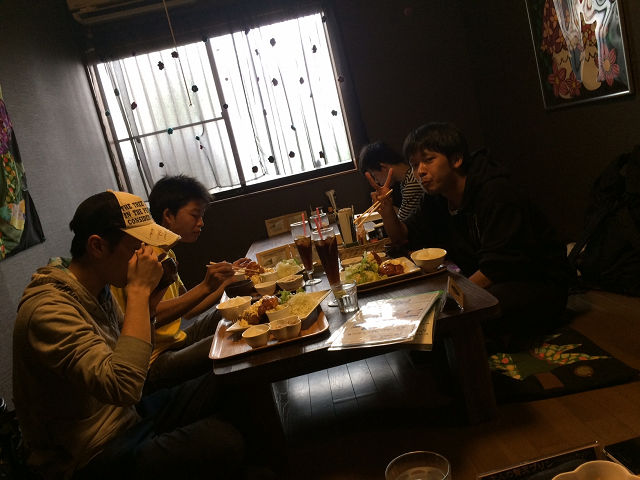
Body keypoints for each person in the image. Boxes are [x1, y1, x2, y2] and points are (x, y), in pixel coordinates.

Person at [12, 189, 250, 479]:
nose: (147, 256)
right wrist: (138, 291)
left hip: (129, 415)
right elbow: (125, 386)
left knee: (235, 376)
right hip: (91, 453)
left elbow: (133, 354)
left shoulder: (98, 288)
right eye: (137, 247)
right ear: (97, 246)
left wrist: (149, 303)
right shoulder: (47, 311)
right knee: (223, 442)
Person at [367, 122, 572, 350]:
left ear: (456, 159)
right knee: (431, 321)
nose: (420, 171)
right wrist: (387, 211)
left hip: (537, 283)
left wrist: (445, 300)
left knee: (450, 321)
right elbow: (403, 237)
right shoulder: (436, 199)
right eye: (415, 165)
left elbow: (496, 268)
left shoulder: (496, 192)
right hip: (493, 279)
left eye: (428, 160)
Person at [111, 175, 238, 393]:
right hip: (154, 358)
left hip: (177, 340)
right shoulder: (144, 260)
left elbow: (189, 309)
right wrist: (207, 286)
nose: (201, 223)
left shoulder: (167, 253)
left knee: (237, 310)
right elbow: (152, 316)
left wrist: (225, 282)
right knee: (231, 339)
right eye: (195, 215)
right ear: (168, 215)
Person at [359, 140, 424, 221]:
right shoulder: (406, 180)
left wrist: (385, 208)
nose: (376, 181)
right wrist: (386, 205)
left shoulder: (412, 183)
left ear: (383, 167)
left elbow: (403, 224)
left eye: (374, 176)